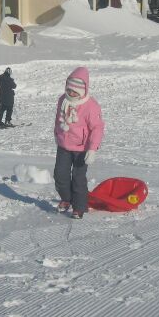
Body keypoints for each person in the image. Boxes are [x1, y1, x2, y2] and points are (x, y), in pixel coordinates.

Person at [53, 67, 104, 219]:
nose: (71, 93)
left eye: (75, 91)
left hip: (82, 149)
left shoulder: (91, 106)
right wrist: (57, 134)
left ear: (83, 90)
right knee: (60, 175)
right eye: (69, 90)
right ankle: (66, 199)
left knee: (78, 178)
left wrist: (92, 149)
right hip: (64, 146)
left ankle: (79, 207)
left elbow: (97, 128)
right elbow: (58, 120)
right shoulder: (63, 100)